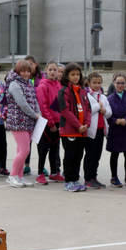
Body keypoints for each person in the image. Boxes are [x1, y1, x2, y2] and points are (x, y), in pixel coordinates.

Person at [5, 60, 41, 188]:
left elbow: (34, 100)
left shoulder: (28, 84)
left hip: (28, 121)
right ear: (18, 71)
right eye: (23, 71)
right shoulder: (14, 84)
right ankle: (12, 176)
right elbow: (22, 103)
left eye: (28, 71)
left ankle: (19, 176)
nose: (26, 73)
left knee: (21, 149)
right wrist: (34, 114)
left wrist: (39, 113)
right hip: (17, 121)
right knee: (25, 150)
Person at [57, 62, 92, 192]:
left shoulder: (83, 91)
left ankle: (75, 179)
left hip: (82, 131)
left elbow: (88, 109)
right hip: (69, 130)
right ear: (67, 76)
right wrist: (78, 125)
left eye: (78, 74)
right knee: (70, 155)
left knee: (78, 155)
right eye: (73, 74)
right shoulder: (64, 91)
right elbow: (65, 111)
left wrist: (86, 124)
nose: (76, 77)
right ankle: (69, 181)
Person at [34, 62, 65, 184]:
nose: (53, 72)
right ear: (46, 71)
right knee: (43, 149)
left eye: (55, 70)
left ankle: (54, 172)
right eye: (50, 69)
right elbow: (43, 106)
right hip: (46, 123)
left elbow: (59, 104)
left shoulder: (58, 85)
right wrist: (51, 123)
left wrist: (60, 121)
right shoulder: (42, 86)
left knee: (54, 148)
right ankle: (40, 173)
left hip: (58, 122)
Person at [106, 72, 126, 187]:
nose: (120, 85)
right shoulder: (109, 98)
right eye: (118, 83)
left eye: (122, 83)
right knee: (115, 154)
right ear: (114, 83)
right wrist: (115, 121)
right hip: (115, 130)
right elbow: (107, 115)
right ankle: (114, 177)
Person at [84, 72, 112, 189]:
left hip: (101, 130)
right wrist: (98, 107)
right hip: (91, 131)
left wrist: (104, 110)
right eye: (94, 83)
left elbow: (110, 113)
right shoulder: (86, 96)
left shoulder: (104, 97)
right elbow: (87, 110)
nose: (97, 85)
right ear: (89, 83)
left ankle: (94, 177)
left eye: (99, 83)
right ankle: (88, 178)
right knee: (90, 155)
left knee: (97, 155)